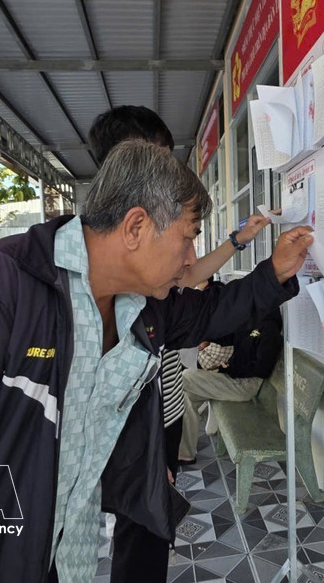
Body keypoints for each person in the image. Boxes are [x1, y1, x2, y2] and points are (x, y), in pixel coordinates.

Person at [0, 139, 313, 582]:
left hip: (66, 555)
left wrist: (275, 271)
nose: (191, 259)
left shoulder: (143, 306)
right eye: (188, 238)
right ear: (136, 227)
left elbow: (212, 311)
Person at [87, 106, 274, 581]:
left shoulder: (155, 278)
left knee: (147, 530)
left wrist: (240, 244)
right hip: (133, 432)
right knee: (134, 532)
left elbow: (192, 285)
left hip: (162, 414)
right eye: (160, 159)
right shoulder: (84, 279)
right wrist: (139, 460)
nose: (172, 171)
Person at [178, 303, 284, 464]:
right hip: (233, 377)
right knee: (188, 396)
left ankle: (160, 430)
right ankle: (185, 455)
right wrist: (208, 340)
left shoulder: (269, 330)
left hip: (245, 385)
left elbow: (262, 369)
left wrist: (231, 369)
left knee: (186, 376)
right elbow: (232, 338)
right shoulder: (251, 322)